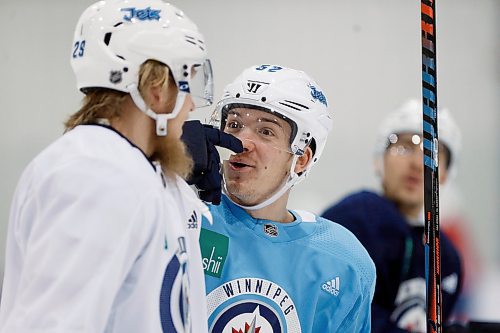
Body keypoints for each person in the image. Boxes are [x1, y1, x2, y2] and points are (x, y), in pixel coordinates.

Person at [0, 1, 214, 332]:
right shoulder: (96, 176)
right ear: (157, 91)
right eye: (187, 85)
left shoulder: (136, 171)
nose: (191, 104)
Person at [197, 64, 376, 332]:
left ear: (301, 159)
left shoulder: (344, 261)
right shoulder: (184, 216)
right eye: (234, 125)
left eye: (266, 131)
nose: (242, 142)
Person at [322, 99, 463, 333]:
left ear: (446, 175)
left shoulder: (446, 258)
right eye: (404, 146)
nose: (418, 163)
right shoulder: (356, 219)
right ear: (379, 161)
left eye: (432, 153)